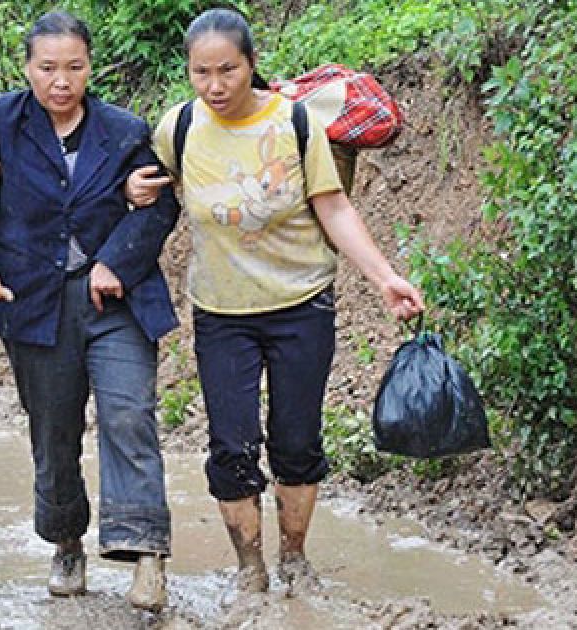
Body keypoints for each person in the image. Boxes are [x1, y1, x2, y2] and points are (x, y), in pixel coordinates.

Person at [128, 8, 424, 599]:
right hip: (221, 314)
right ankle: (250, 571)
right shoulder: (179, 126)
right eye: (202, 73)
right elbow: (146, 179)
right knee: (232, 448)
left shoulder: (294, 123)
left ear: (252, 65)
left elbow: (333, 207)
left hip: (300, 304)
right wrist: (133, 187)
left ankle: (293, 559)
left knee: (296, 442)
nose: (215, 86)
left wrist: (383, 276)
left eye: (228, 71)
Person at [0, 11, 180, 613]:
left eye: (73, 67)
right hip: (34, 302)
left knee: (129, 413)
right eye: (47, 67)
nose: (61, 80)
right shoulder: (2, 120)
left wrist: (116, 262)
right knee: (53, 432)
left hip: (113, 299)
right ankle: (67, 541)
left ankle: (147, 554)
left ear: (90, 67)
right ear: (28, 68)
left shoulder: (123, 129)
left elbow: (158, 204)